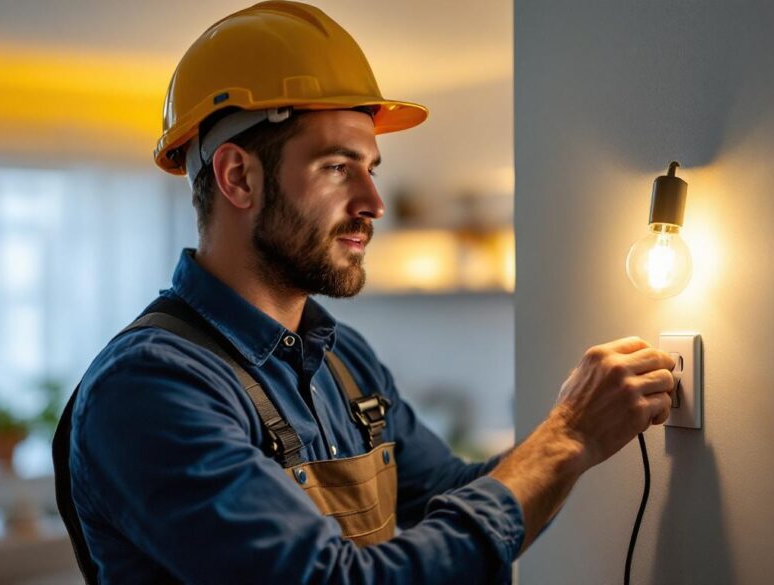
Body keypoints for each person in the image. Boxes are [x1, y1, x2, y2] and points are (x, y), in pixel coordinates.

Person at [52, 2, 677, 583]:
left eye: (370, 169)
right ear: (238, 176)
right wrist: (565, 436)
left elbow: (457, 496)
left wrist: (580, 425)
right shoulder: (150, 387)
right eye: (336, 167)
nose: (373, 204)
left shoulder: (342, 361)